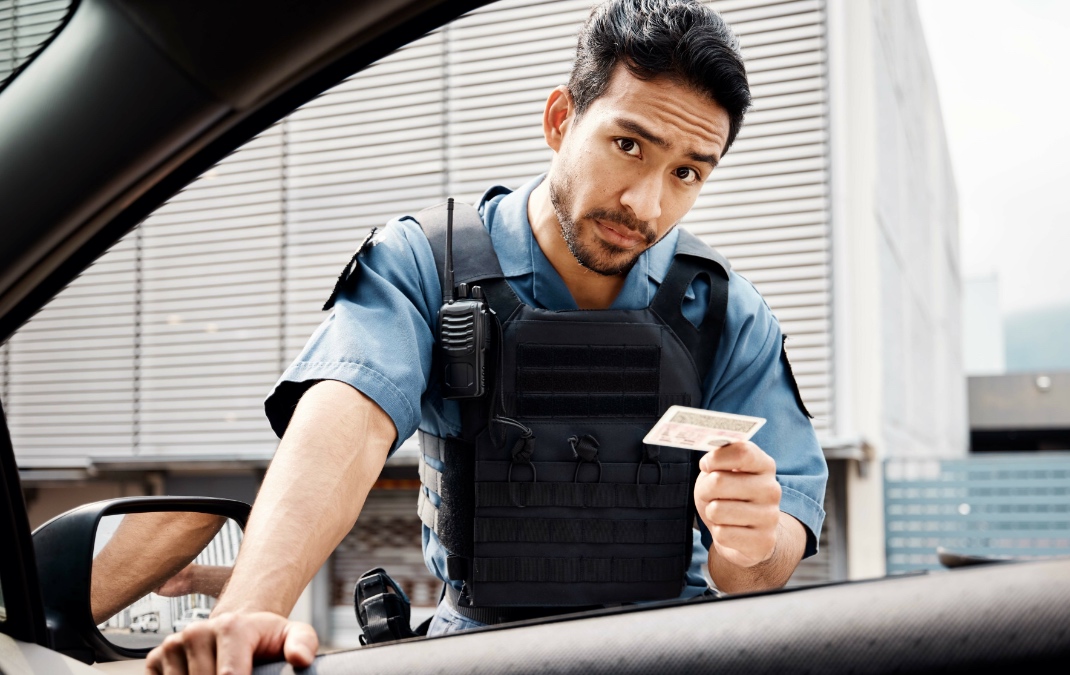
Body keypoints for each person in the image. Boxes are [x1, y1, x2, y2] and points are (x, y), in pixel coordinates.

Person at [146, 0, 827, 672]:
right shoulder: (425, 264)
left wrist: (751, 542)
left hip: (663, 650)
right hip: (476, 651)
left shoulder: (725, 308)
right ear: (561, 120)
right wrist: (251, 612)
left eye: (686, 173)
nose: (646, 205)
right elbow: (348, 424)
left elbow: (762, 568)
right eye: (628, 145)